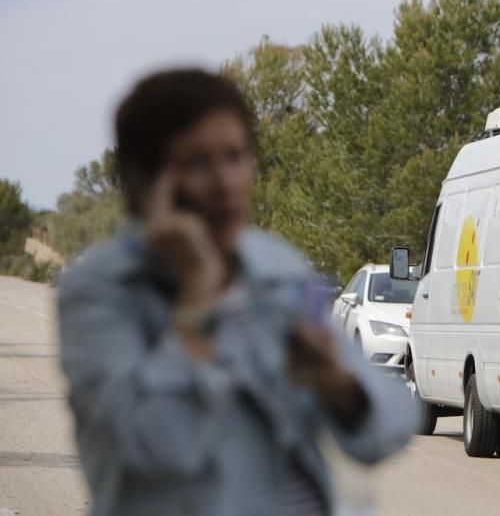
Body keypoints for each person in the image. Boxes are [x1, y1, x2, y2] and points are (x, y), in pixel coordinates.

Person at [58, 68, 416, 516]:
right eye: (197, 163)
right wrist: (195, 306)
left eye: (235, 156)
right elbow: (153, 449)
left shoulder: (274, 266)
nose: (225, 183)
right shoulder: (102, 292)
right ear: (147, 183)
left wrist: (337, 385)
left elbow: (392, 427)